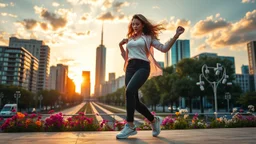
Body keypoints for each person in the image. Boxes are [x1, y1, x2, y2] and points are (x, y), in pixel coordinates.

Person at [116, 14, 185, 139]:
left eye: (137, 24)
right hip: (130, 67)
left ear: (143, 24)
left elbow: (164, 48)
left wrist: (176, 36)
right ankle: (154, 120)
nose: (135, 26)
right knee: (134, 101)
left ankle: (130, 126)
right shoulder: (130, 39)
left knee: (129, 91)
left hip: (143, 67)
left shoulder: (148, 38)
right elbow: (127, 57)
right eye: (133, 24)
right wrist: (120, 46)